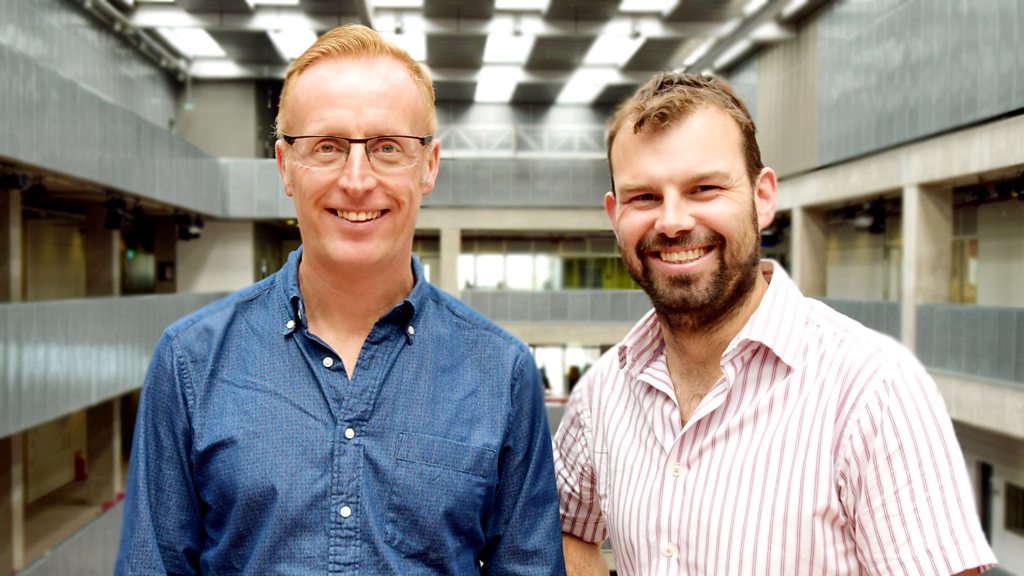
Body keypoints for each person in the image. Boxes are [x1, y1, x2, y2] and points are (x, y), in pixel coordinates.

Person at [116, 24, 564, 575]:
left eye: (387, 147)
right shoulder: (189, 362)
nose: (356, 180)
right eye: (326, 147)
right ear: (284, 166)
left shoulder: (502, 373)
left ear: (429, 166)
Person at [553, 72, 996, 575]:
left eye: (704, 188)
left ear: (762, 197)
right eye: (644, 197)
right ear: (615, 215)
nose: (672, 221)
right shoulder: (603, 393)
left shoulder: (873, 390)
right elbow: (565, 527)